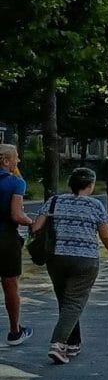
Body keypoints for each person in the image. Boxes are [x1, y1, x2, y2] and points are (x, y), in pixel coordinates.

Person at [30, 166, 108, 365]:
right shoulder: (95, 205)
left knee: (66, 301)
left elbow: (36, 227)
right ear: (90, 185)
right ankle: (58, 344)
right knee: (74, 302)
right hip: (85, 259)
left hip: (57, 258)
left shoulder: (54, 201)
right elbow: (106, 235)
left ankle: (73, 343)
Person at [0, 144, 30, 348]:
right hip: (5, 239)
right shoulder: (15, 183)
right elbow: (16, 215)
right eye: (16, 158)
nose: (18, 161)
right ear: (6, 161)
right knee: (10, 283)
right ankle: (14, 331)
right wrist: (32, 222)